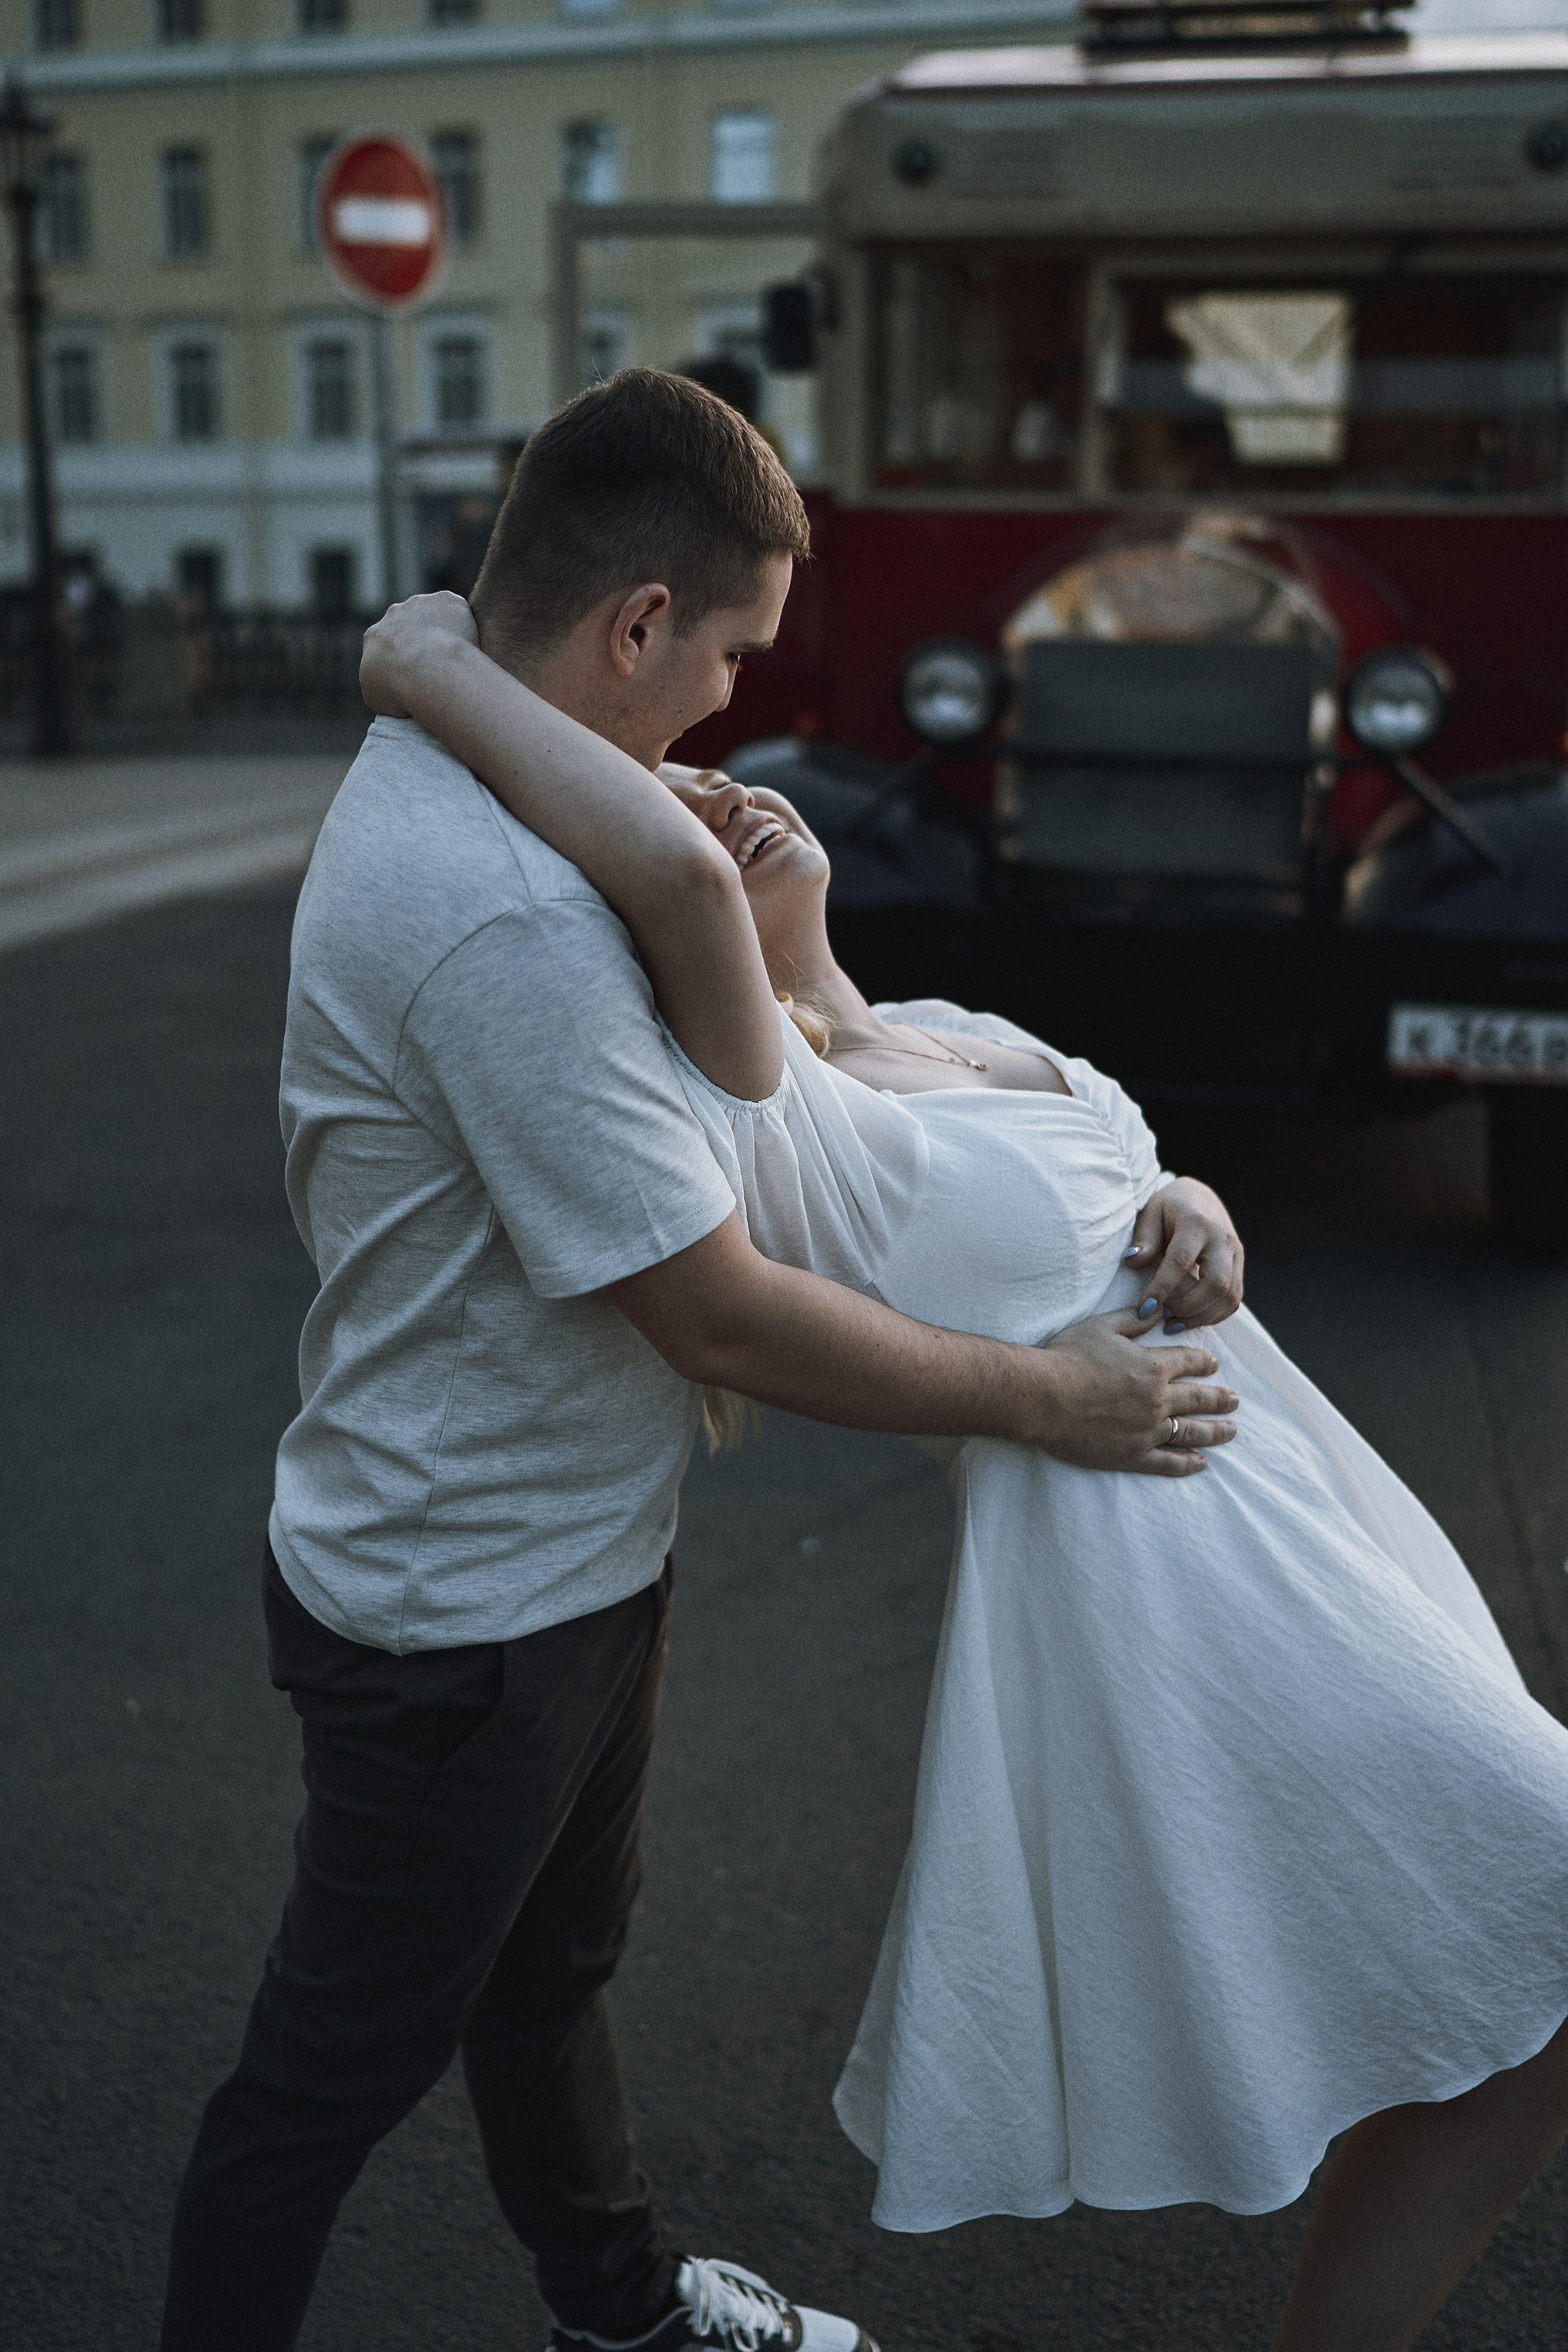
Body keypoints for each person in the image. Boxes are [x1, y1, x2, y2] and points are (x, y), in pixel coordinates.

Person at [361, 565, 1568, 2352]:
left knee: (1511, 1974)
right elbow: (685, 883)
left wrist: (1192, 1196)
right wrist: (421, 658)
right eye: (695, 793)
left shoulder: (934, 1028)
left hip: (1305, 1514)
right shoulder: (780, 1109)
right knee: (1527, 1920)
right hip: (1186, 1571)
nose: (735, 798)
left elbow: (1117, 1155)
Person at [160, 372, 1240, 2352]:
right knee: (319, 2087)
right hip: (463, 1610)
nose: (729, 710)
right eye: (728, 653)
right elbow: (716, 1305)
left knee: (551, 1972)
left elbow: (770, 1037)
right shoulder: (504, 906)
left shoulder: (528, 792)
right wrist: (1060, 1401)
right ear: (637, 625)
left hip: (556, 1557)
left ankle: (625, 2314)